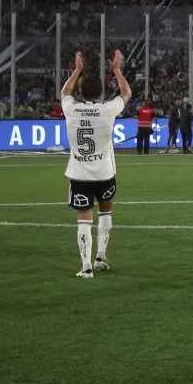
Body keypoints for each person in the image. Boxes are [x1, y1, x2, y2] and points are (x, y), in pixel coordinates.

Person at [61, 50, 132, 279]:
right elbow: (126, 93)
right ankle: (100, 257)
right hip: (104, 174)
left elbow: (64, 92)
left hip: (80, 175)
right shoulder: (107, 109)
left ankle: (86, 267)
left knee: (84, 220)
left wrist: (77, 69)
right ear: (100, 93)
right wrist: (117, 70)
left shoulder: (71, 108)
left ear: (81, 92)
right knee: (106, 214)